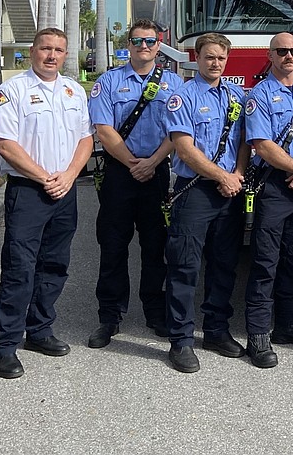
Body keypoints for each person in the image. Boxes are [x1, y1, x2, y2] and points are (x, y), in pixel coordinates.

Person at [0, 28, 94, 379]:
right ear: (31, 51)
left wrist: (68, 176)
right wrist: (44, 177)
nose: (52, 56)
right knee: (20, 267)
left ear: (66, 55)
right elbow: (5, 145)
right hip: (29, 192)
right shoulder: (12, 91)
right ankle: (5, 345)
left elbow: (85, 139)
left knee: (55, 264)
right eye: (45, 49)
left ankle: (39, 330)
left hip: (65, 190)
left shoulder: (74, 90)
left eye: (59, 50)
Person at [86, 21, 183, 348]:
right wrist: (132, 163)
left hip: (156, 172)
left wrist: (153, 163)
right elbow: (103, 128)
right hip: (119, 173)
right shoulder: (109, 81)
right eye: (138, 40)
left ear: (159, 45)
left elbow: (178, 130)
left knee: (156, 247)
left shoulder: (173, 83)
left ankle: (156, 312)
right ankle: (109, 316)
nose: (144, 46)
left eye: (150, 41)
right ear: (128, 43)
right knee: (113, 246)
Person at [163, 32, 248, 373]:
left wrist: (238, 174)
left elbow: (244, 141)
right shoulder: (181, 97)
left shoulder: (236, 96)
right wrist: (222, 177)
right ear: (196, 58)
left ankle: (216, 330)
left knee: (224, 265)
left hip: (230, 190)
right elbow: (185, 149)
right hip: (196, 190)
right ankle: (181, 340)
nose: (215, 63)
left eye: (221, 58)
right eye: (210, 57)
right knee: (185, 266)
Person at [242, 33, 293, 369]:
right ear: (271, 55)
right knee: (265, 261)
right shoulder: (259, 95)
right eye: (282, 51)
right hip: (274, 185)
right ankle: (258, 333)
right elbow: (261, 145)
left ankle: (289, 325)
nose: (289, 56)